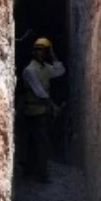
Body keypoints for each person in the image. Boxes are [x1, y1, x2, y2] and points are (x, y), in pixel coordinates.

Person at [21, 37, 65, 183]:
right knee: (42, 143)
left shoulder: (44, 68)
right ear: (34, 52)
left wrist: (53, 55)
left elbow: (60, 70)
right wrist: (53, 106)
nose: (41, 53)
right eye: (39, 50)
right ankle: (41, 174)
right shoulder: (29, 70)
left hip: (42, 112)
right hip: (33, 112)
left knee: (36, 142)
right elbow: (39, 92)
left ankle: (30, 170)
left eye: (44, 50)